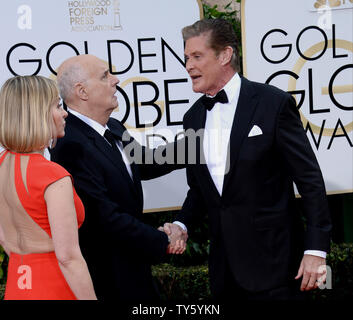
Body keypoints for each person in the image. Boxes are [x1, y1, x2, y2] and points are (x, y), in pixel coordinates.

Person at [163, 18, 332, 300]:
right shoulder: (193, 117)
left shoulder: (273, 104)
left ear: (225, 55)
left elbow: (310, 180)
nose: (188, 65)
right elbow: (201, 189)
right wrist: (181, 225)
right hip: (224, 272)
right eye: (186, 58)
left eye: (196, 56)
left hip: (276, 267)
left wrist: (316, 250)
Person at [50, 54, 186, 301]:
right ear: (82, 91)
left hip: (134, 269)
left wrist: (194, 148)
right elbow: (104, 217)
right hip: (108, 279)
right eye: (105, 76)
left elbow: (142, 161)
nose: (116, 80)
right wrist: (162, 239)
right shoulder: (70, 144)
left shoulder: (113, 126)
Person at [0, 75, 96, 300]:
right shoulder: (52, 175)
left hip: (17, 286)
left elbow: (4, 239)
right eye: (57, 106)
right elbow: (68, 257)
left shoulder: (2, 164)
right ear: (37, 113)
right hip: (55, 289)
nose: (64, 113)